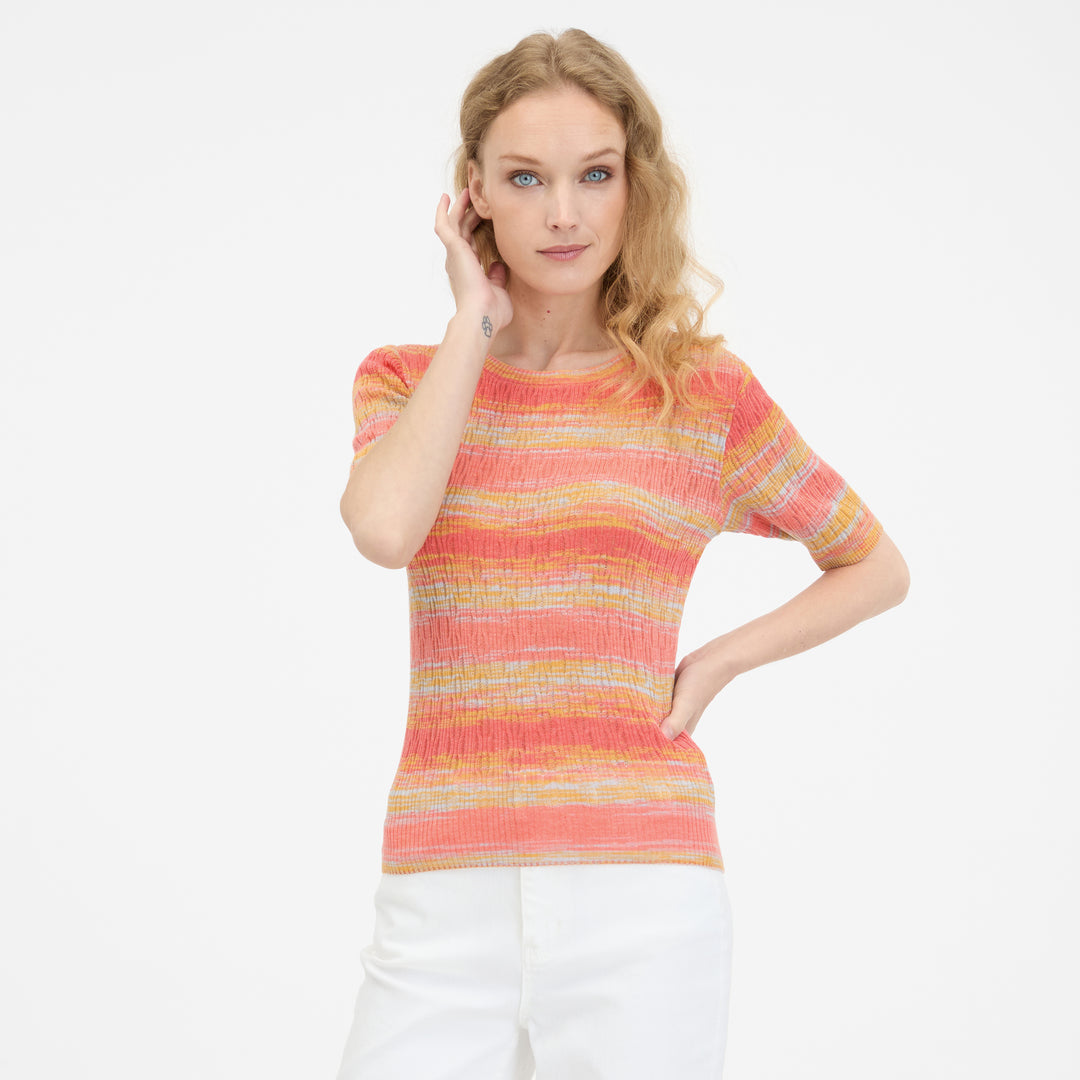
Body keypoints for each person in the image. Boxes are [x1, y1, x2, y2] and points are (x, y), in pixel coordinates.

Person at [334, 27, 909, 1080]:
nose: (563, 212)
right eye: (526, 178)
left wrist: (718, 660)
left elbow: (874, 563)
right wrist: (474, 320)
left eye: (594, 175)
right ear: (474, 193)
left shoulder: (698, 393)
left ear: (633, 185)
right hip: (441, 882)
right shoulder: (405, 377)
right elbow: (384, 529)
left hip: (642, 891)